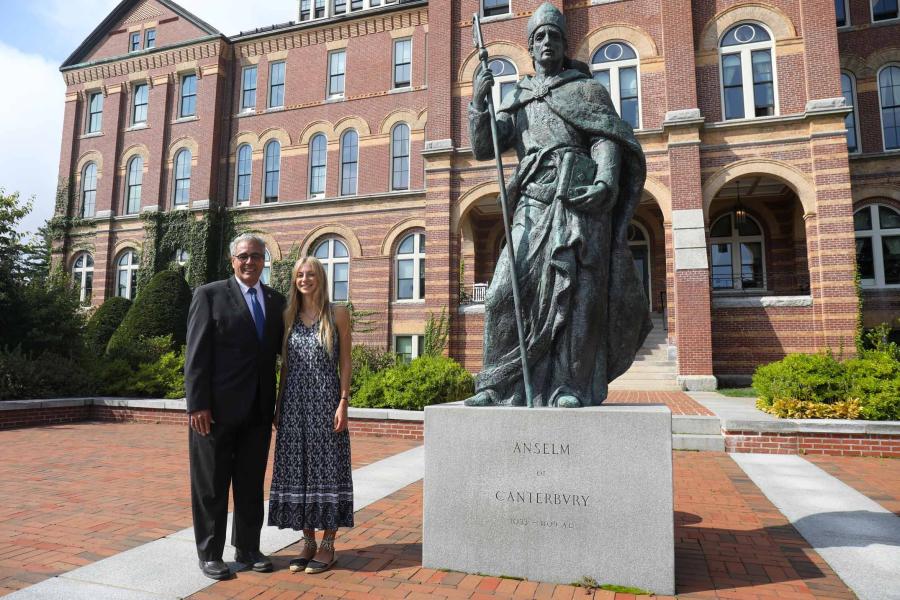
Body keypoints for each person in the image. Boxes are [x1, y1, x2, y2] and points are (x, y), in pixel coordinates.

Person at [465, 3, 650, 408]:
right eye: (539, 37)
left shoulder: (587, 90)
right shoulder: (521, 95)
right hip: (531, 202)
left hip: (577, 203)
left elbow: (605, 137)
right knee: (502, 294)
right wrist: (479, 103)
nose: (547, 42)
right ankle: (498, 385)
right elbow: (485, 147)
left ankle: (570, 386)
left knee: (578, 300)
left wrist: (605, 179)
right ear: (530, 48)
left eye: (554, 35)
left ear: (565, 44)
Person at [184, 233, 285, 580]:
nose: (249, 262)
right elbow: (195, 355)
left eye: (256, 256)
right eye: (243, 256)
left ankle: (247, 547)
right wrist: (197, 404)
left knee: (250, 483)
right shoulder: (209, 295)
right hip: (214, 413)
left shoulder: (275, 301)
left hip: (257, 411)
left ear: (263, 261)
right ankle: (210, 553)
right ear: (233, 261)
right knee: (211, 485)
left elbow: (278, 356)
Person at [267, 256, 353, 575]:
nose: (305, 279)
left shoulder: (338, 314)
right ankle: (307, 541)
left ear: (321, 278)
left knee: (328, 470)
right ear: (295, 280)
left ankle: (328, 545)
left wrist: (343, 401)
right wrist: (278, 405)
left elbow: (345, 362)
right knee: (300, 471)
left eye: (311, 274)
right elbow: (285, 366)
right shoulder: (288, 316)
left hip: (326, 403)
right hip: (294, 406)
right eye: (300, 275)